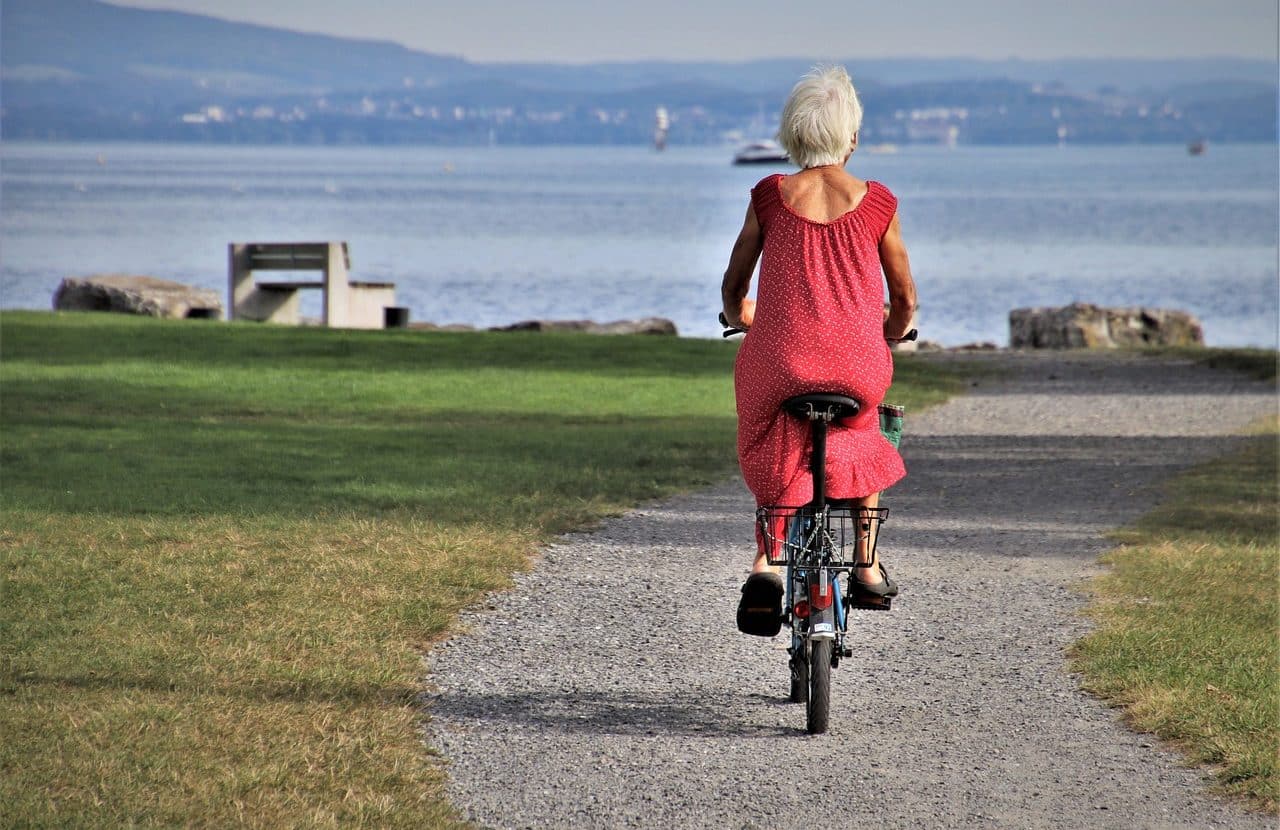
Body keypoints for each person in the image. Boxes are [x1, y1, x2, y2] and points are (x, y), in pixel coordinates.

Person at [721, 65, 917, 635]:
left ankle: (768, 564)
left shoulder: (769, 197)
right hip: (855, 365)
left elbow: (735, 288)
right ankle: (866, 561)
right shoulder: (878, 203)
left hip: (780, 361)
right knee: (863, 430)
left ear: (791, 135)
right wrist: (893, 330)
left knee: (773, 427)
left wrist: (743, 318)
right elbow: (903, 296)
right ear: (850, 137)